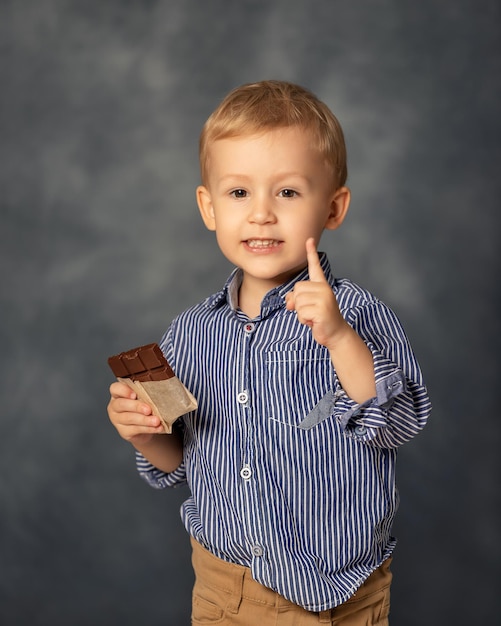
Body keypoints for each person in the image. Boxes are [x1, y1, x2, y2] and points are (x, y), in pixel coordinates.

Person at [107, 80, 431, 625]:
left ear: (334, 207)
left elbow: (399, 423)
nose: (261, 214)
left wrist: (339, 338)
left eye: (287, 192)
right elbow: (182, 462)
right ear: (208, 207)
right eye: (239, 193)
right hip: (227, 588)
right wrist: (143, 431)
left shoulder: (355, 313)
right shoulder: (190, 333)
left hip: (343, 587)